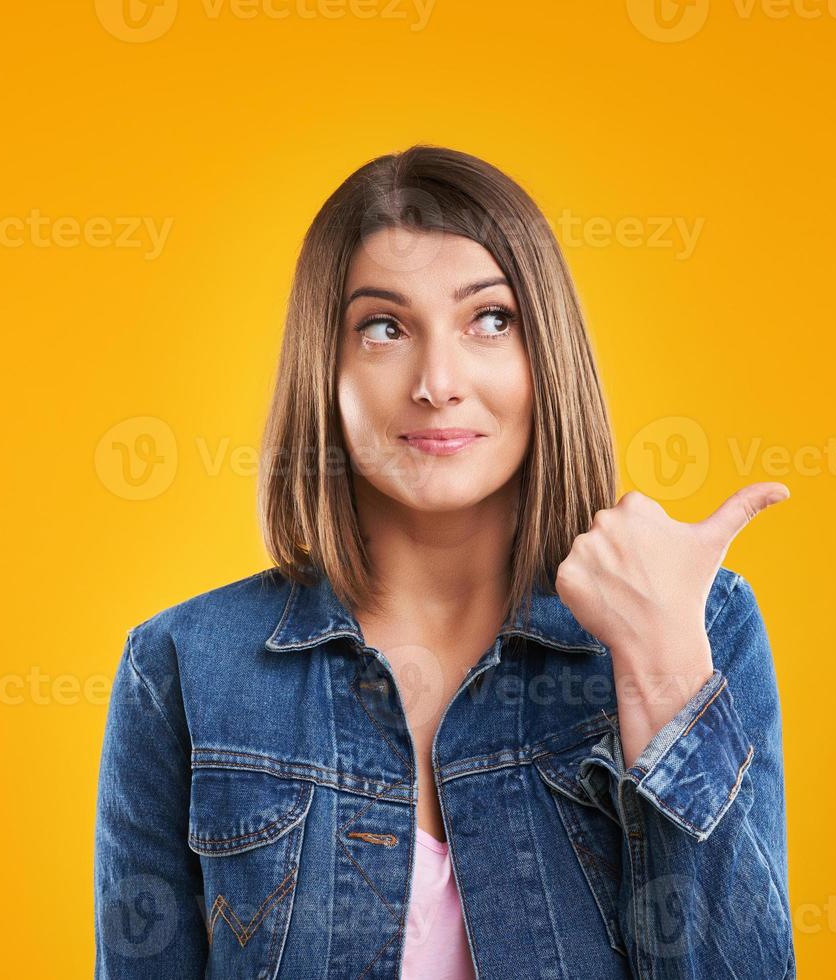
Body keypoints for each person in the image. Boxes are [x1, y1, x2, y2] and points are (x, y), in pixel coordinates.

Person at [94, 144, 797, 979]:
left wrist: (661, 670)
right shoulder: (182, 666)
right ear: (326, 368)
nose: (437, 381)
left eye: (490, 320)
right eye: (384, 327)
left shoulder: (701, 625)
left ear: (547, 356)